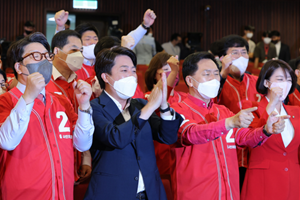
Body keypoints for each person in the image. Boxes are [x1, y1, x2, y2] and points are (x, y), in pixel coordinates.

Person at [170, 51, 283, 200]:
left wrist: (265, 130)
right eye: (207, 74)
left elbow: (243, 138)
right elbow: (190, 134)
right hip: (196, 193)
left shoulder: (222, 110)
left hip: (228, 192)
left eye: (216, 74)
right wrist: (228, 123)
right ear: (190, 81)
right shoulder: (178, 110)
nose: (214, 79)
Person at [0, 32, 94, 200]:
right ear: (19, 67)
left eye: (46, 56)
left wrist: (84, 106)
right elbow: (7, 141)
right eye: (36, 56)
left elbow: (82, 144)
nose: (44, 61)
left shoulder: (61, 100)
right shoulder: (6, 101)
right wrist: (28, 96)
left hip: (62, 193)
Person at [84, 46, 183, 200]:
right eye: (124, 70)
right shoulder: (94, 108)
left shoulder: (140, 105)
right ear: (105, 77)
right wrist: (150, 107)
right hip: (113, 193)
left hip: (150, 192)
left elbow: (168, 137)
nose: (131, 76)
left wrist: (163, 105)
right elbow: (116, 138)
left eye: (133, 70)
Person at [237, 60, 299, 200]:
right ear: (266, 83)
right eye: (280, 79)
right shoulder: (250, 108)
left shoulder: (296, 111)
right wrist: (271, 104)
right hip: (263, 182)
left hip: (293, 181)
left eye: (289, 80)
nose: (285, 83)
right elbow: (249, 140)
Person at [54, 9, 157, 81]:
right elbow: (61, 49)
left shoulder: (102, 61)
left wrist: (144, 26)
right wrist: (60, 27)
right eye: (88, 39)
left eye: (95, 39)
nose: (93, 42)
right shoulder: (73, 63)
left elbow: (125, 43)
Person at [45, 29, 93, 183]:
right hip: (49, 163)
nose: (78, 55)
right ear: (57, 51)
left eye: (80, 50)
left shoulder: (80, 83)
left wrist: (86, 156)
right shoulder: (42, 82)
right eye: (73, 50)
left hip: (76, 160)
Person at [218, 35, 263, 189]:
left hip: (257, 149)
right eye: (234, 52)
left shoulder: (258, 81)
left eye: (243, 52)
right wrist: (222, 73)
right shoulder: (216, 83)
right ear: (223, 57)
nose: (240, 56)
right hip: (230, 150)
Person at [144, 52, 185, 175]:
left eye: (175, 70)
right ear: (154, 74)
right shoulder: (148, 97)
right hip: (161, 154)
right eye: (167, 69)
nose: (174, 73)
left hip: (183, 153)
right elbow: (163, 96)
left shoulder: (186, 97)